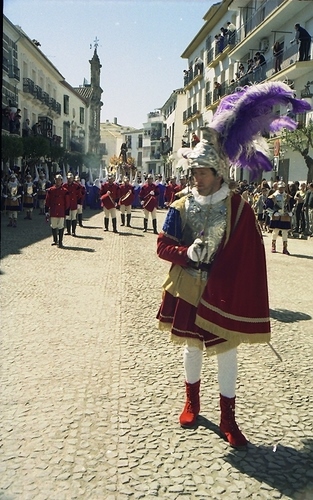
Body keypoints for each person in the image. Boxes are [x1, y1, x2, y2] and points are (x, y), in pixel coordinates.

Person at [156, 81, 309, 448]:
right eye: (193, 173)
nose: (195, 179)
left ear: (220, 172)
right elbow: (162, 246)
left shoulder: (238, 208)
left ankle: (228, 418)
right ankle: (191, 401)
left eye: (202, 173)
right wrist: (184, 255)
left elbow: (250, 258)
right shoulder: (180, 205)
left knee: (226, 352)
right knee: (191, 347)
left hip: (222, 292)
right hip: (188, 287)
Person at [266, 181, 292, 254]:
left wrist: (290, 211)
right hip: (276, 216)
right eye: (280, 187)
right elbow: (267, 207)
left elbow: (291, 205)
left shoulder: (287, 196)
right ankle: (273, 246)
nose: (281, 189)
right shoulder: (273, 196)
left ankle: (285, 248)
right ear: (277, 187)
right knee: (275, 231)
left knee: (285, 232)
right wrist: (274, 212)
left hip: (285, 216)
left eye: (283, 188)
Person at [45, 174, 70, 247]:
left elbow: (67, 202)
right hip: (53, 210)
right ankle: (55, 240)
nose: (58, 181)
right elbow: (47, 201)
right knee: (53, 226)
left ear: (61, 181)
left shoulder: (65, 191)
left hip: (61, 211)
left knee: (61, 226)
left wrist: (67, 212)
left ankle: (60, 241)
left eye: (59, 180)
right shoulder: (50, 190)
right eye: (56, 180)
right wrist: (46, 211)